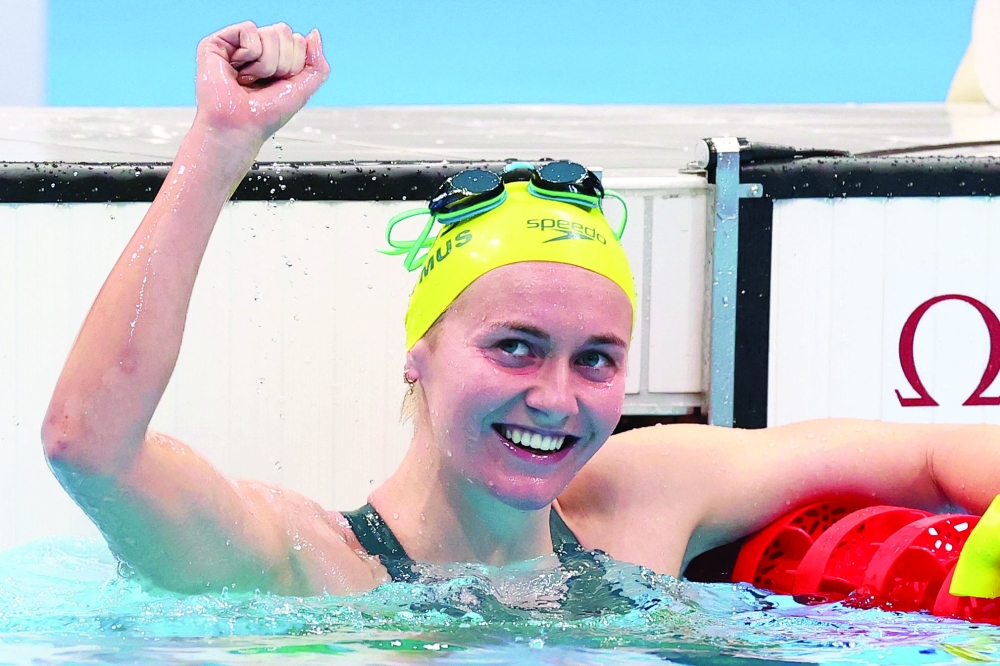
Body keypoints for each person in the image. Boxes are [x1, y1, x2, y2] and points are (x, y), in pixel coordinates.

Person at [42, 21, 1000, 598]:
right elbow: (90, 443)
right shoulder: (309, 564)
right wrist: (220, 144)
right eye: (514, 347)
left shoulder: (643, 498)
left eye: (596, 359)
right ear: (419, 350)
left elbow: (921, 454)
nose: (556, 396)